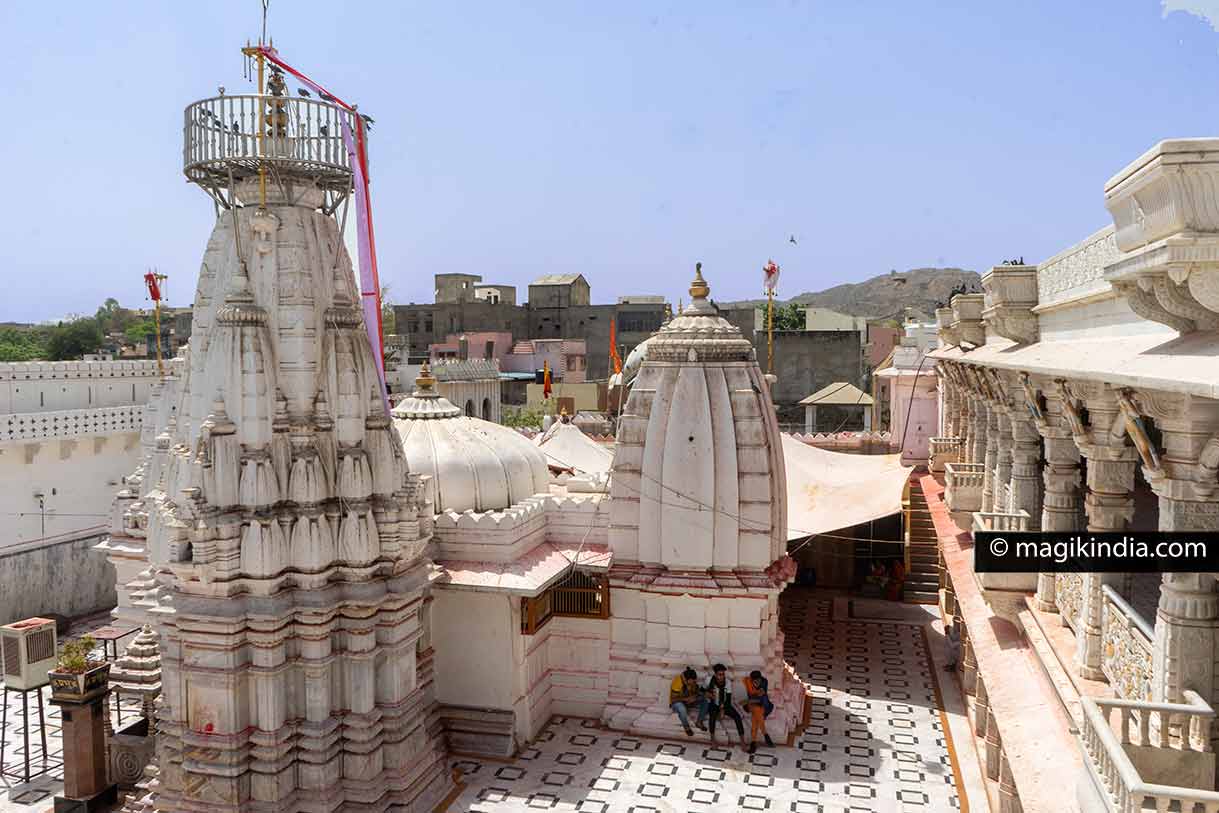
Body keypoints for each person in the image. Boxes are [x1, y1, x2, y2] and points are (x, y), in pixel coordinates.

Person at [704, 663, 745, 746]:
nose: (722, 676)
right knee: (712, 717)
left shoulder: (727, 682)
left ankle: (742, 741)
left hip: (725, 704)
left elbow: (728, 699)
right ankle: (712, 739)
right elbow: (701, 690)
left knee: (737, 717)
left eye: (723, 674)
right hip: (713, 704)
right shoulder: (709, 680)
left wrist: (722, 709)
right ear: (715, 674)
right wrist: (707, 694)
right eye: (720, 674)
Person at [741, 669, 775, 753]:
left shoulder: (764, 683)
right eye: (755, 681)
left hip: (763, 704)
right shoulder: (747, 681)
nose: (757, 683)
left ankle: (754, 742)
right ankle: (765, 735)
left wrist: (747, 701)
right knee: (756, 715)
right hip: (753, 705)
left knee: (756, 716)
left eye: (759, 680)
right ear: (751, 680)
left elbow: (760, 699)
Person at [669, 667, 707, 737]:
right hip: (677, 703)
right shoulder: (677, 681)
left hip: (689, 701)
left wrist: (694, 697)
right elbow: (673, 699)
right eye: (693, 681)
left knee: (705, 700)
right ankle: (686, 727)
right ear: (688, 680)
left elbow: (697, 692)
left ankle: (699, 722)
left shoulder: (692, 681)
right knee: (682, 709)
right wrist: (686, 699)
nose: (694, 682)